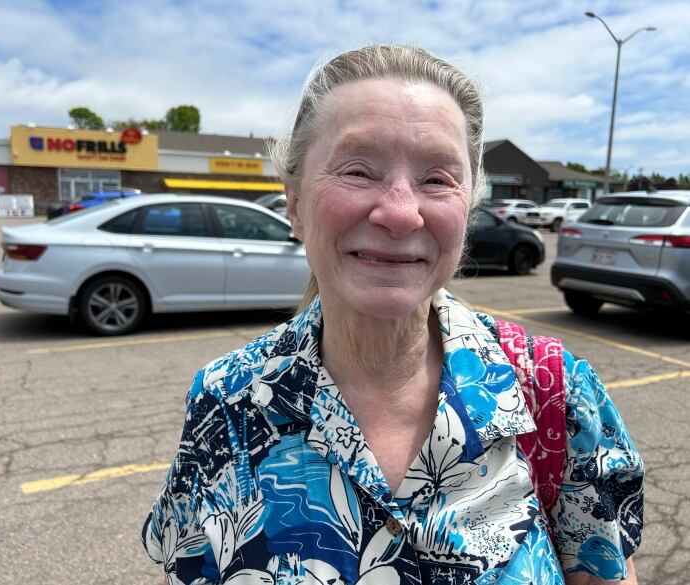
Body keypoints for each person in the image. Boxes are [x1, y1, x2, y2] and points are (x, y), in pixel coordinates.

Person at [142, 44, 643, 584]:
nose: (402, 213)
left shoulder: (553, 392)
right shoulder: (227, 401)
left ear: (468, 207)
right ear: (293, 203)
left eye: (436, 179)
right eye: (358, 170)